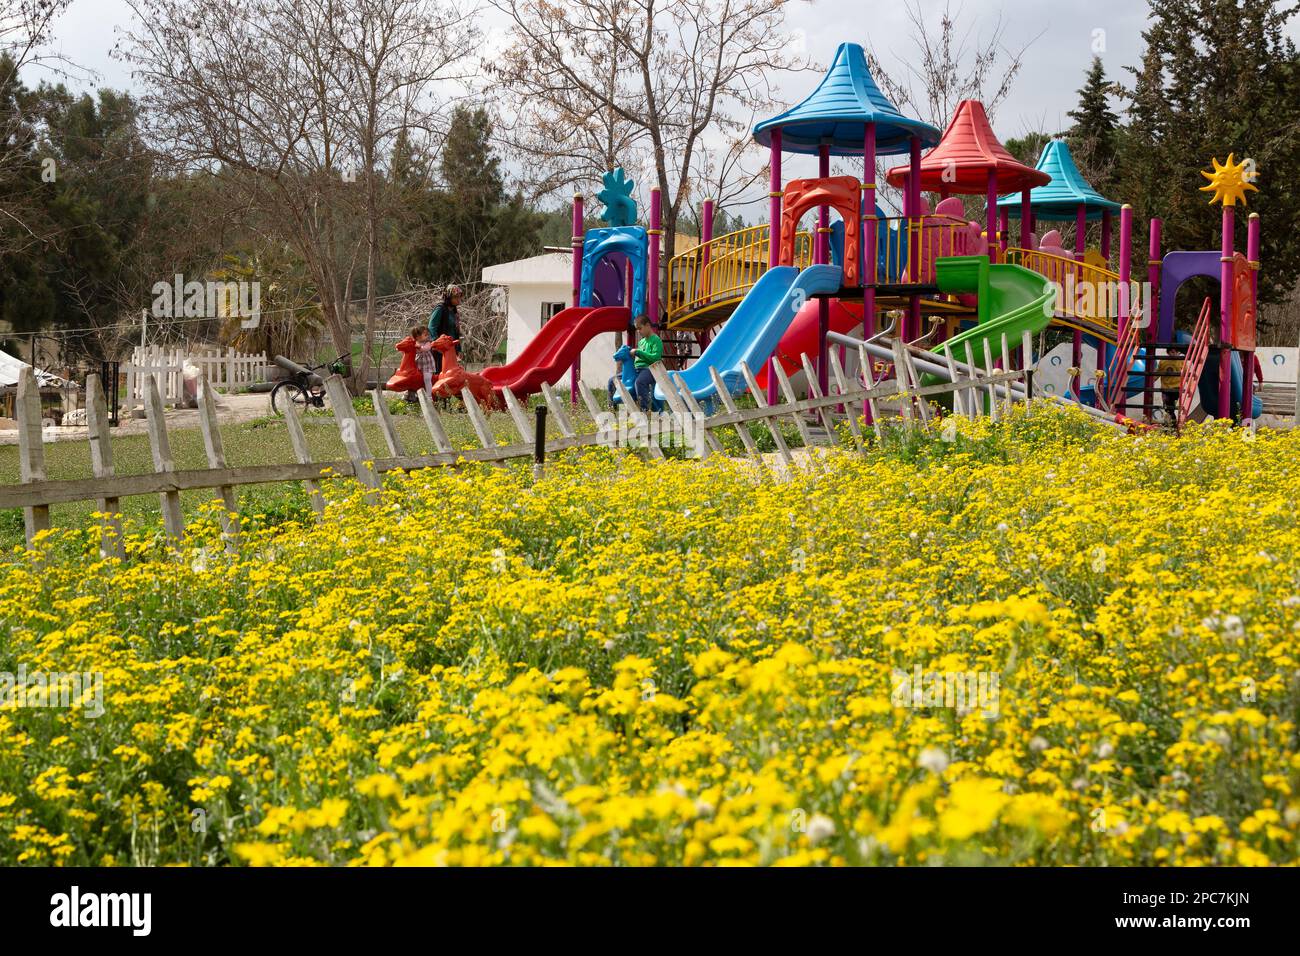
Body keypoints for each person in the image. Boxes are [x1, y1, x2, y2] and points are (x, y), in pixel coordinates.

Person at [629, 315, 662, 411]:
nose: (638, 331)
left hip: (650, 368)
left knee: (640, 382)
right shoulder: (641, 342)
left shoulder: (656, 340)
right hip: (637, 369)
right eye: (637, 329)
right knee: (614, 380)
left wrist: (638, 352)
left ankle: (644, 410)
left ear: (648, 325)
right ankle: (612, 408)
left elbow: (655, 358)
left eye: (640, 328)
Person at [427, 285, 463, 374]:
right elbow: (432, 327)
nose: (458, 299)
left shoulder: (454, 312)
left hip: (450, 350)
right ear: (448, 297)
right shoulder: (440, 309)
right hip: (440, 350)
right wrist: (437, 343)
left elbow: (455, 332)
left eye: (459, 297)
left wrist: (458, 349)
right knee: (440, 374)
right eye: (455, 297)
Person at [412, 325, 437, 396]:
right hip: (418, 364)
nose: (427, 336)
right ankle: (416, 394)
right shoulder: (415, 343)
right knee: (417, 379)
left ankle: (429, 396)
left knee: (427, 378)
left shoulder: (427, 343)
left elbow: (426, 348)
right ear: (417, 336)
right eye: (425, 335)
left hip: (427, 364)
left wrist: (420, 347)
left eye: (427, 334)